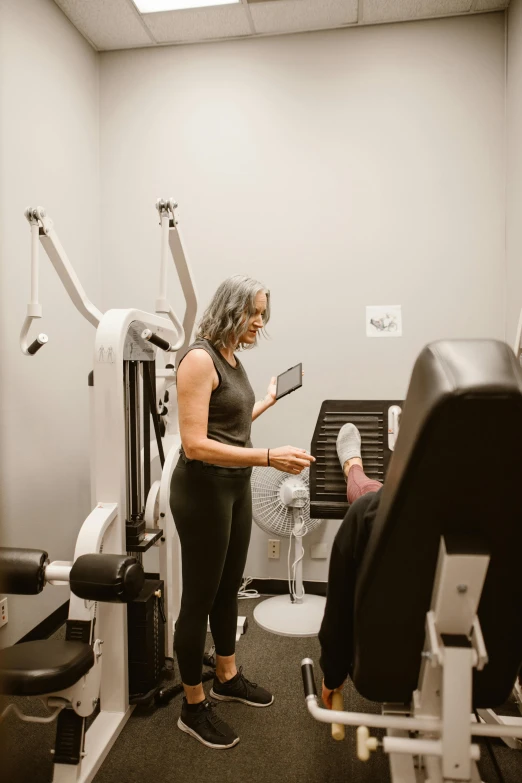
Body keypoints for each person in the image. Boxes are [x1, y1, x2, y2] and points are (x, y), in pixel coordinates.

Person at [170, 274, 315, 749]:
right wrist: (269, 456)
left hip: (233, 487)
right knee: (199, 598)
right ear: (231, 308)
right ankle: (192, 706)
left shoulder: (231, 359)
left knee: (229, 587)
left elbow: (226, 425)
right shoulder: (198, 359)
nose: (260, 323)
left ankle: (227, 677)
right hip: (203, 490)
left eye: (263, 315)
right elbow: (195, 444)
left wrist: (267, 400)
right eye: (254, 313)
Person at [318, 422, 383, 710]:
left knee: (370, 498)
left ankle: (352, 468)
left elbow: (339, 608)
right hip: (492, 673)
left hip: (381, 669)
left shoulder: (370, 512)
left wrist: (333, 675)